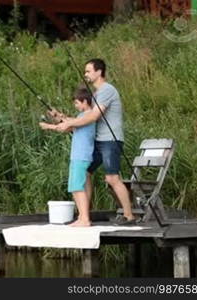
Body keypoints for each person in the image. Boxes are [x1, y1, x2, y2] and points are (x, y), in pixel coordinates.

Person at [55, 58, 135, 225]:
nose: (86, 75)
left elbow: (93, 116)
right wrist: (63, 118)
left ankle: (129, 216)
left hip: (110, 141)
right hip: (99, 141)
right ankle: (84, 216)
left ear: (99, 72)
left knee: (112, 178)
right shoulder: (96, 94)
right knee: (85, 173)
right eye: (85, 71)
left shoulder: (107, 90)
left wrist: (69, 123)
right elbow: (84, 117)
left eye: (88, 71)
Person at [40, 87, 95, 227]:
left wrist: (48, 126)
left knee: (78, 187)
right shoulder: (82, 117)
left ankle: (85, 219)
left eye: (77, 103)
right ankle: (82, 217)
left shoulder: (89, 116)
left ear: (84, 102)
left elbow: (63, 127)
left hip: (81, 156)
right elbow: (69, 124)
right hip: (78, 156)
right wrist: (58, 115)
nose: (75, 106)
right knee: (75, 187)